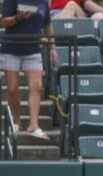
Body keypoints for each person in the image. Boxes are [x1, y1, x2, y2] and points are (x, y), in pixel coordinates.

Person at [1, 0, 54, 140]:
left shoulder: (43, 2)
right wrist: (18, 18)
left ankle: (34, 126)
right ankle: (17, 123)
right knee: (12, 89)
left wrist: (52, 47)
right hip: (11, 48)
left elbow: (48, 24)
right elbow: (3, 22)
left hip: (33, 50)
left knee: (37, 87)